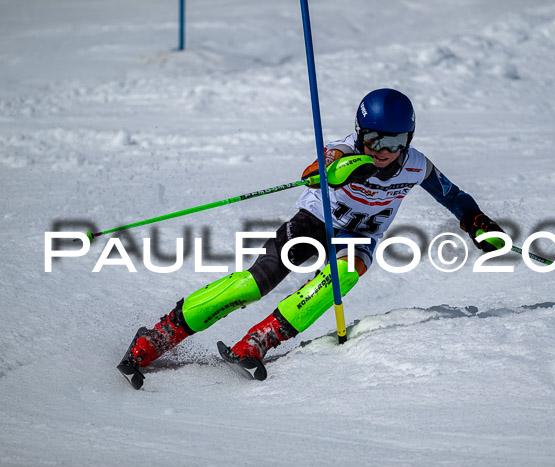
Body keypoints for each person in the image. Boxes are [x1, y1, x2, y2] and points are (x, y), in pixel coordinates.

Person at [117, 88, 505, 389]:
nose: (384, 152)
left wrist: (477, 222)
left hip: (360, 237)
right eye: (373, 140)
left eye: (395, 143)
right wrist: (337, 170)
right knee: (255, 283)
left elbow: (453, 196)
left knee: (344, 275)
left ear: (409, 138)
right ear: (359, 134)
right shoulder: (344, 149)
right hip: (316, 220)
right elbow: (316, 168)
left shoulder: (418, 165)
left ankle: (257, 342)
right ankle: (160, 335)